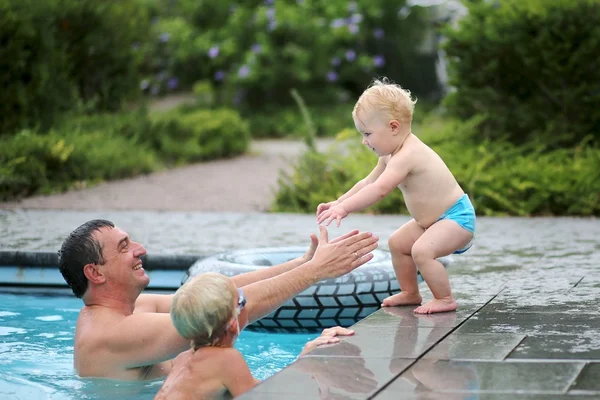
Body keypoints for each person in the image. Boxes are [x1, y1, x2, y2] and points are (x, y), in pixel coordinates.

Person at [58, 219, 378, 380]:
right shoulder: (110, 335)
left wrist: (302, 264)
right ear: (95, 273)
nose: (140, 249)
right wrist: (315, 273)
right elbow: (222, 310)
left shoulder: (129, 311)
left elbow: (212, 293)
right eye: (125, 247)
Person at [316, 78, 475, 314]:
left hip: (456, 218)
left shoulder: (408, 154)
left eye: (367, 133)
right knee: (398, 243)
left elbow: (379, 190)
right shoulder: (390, 155)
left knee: (422, 251)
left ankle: (444, 298)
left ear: (393, 127)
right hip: (432, 222)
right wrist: (339, 202)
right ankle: (411, 293)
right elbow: (367, 182)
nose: (364, 141)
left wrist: (346, 209)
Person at [154, 272, 355, 400]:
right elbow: (265, 396)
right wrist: (305, 362)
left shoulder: (183, 360)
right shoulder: (226, 359)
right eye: (242, 300)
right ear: (233, 324)